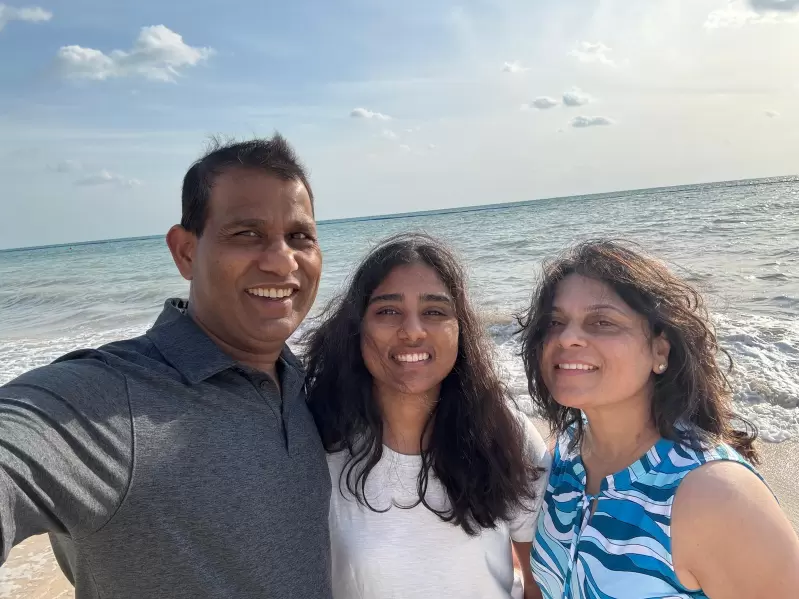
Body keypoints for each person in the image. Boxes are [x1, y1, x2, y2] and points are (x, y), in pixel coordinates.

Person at [0, 135, 333, 599]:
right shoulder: (110, 400)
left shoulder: (301, 381)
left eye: (300, 237)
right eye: (246, 234)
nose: (282, 261)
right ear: (186, 252)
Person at [518, 240, 799, 599]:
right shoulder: (561, 459)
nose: (567, 337)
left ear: (659, 350)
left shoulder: (714, 495)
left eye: (602, 322)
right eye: (555, 322)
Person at [304, 233, 550, 599]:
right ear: (357, 328)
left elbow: (539, 583)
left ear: (460, 329)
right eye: (388, 311)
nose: (413, 331)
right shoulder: (319, 440)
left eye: (435, 311)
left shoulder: (502, 430)